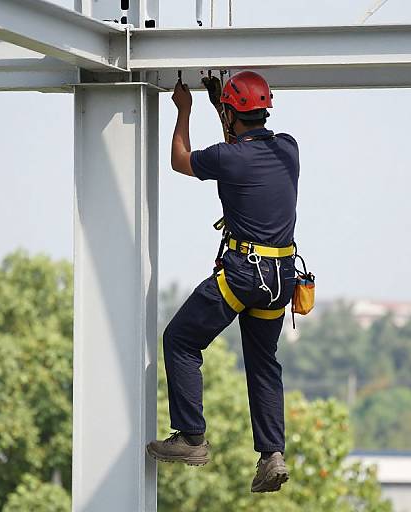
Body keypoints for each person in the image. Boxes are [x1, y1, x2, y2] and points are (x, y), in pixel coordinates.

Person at [146, 71, 300, 493]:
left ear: (233, 115)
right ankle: (272, 455)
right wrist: (223, 109)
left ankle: (192, 437)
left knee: (179, 339)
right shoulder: (289, 148)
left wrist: (185, 110)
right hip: (281, 277)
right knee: (263, 364)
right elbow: (243, 149)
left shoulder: (226, 157)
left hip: (243, 275)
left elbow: (182, 160)